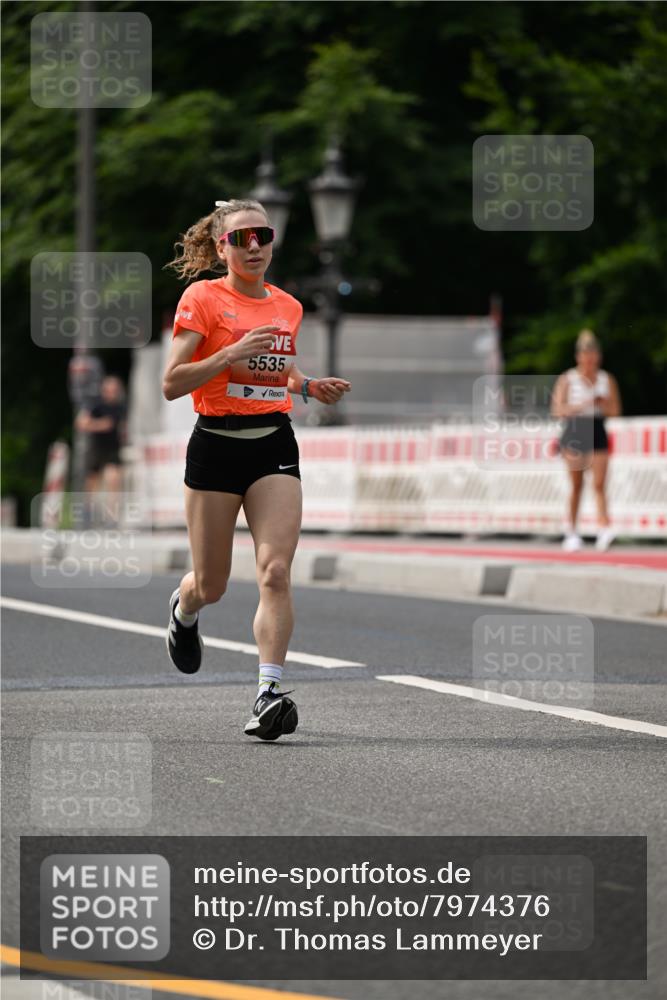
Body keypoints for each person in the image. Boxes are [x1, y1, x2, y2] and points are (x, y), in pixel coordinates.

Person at [162, 199, 351, 741]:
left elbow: (278, 368)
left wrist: (309, 385)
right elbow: (172, 383)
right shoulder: (202, 298)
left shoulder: (288, 306)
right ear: (221, 247)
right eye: (241, 238)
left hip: (273, 443)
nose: (254, 247)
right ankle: (184, 607)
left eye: (262, 236)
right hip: (214, 446)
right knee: (213, 583)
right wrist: (228, 354)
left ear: (272, 241)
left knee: (274, 571)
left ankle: (267, 694)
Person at [551, 330, 622, 552]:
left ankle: (603, 527)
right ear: (578, 356)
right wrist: (584, 403)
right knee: (577, 484)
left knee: (599, 483)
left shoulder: (606, 379)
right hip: (575, 430)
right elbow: (558, 410)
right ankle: (571, 531)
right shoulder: (568, 379)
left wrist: (601, 403)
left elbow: (615, 410)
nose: (590, 359)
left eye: (593, 353)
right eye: (585, 353)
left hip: (596, 428)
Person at [75, 375, 127, 524]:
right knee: (92, 481)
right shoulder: (95, 405)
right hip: (96, 448)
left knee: (114, 479)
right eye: (111, 390)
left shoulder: (120, 407)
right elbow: (81, 423)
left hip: (113, 448)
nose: (113, 393)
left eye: (116, 390)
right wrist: (100, 425)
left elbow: (121, 427)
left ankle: (112, 516)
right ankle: (87, 513)